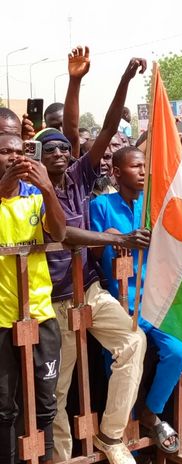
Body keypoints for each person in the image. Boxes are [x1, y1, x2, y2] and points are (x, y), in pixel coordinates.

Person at [44, 51, 148, 464]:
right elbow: (63, 233)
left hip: (87, 290)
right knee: (59, 388)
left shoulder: (78, 176)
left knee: (132, 342)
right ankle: (63, 458)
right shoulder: (34, 191)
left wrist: (119, 78)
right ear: (38, 159)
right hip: (51, 299)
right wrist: (115, 237)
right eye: (49, 151)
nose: (59, 155)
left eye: (63, 151)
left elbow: (103, 128)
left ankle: (111, 436)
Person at [90, 146, 182, 453]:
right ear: (117, 173)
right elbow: (92, 254)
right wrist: (110, 237)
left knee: (177, 351)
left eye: (145, 166)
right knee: (121, 373)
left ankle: (150, 412)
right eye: (136, 167)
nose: (143, 171)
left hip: (154, 301)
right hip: (119, 304)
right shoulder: (101, 205)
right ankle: (126, 444)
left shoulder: (152, 205)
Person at [0, 133, 66, 464]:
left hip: (40, 314)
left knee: (45, 404)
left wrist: (48, 189)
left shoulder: (35, 196)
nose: (13, 157)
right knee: (4, 408)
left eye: (18, 151)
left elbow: (60, 231)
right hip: (0, 320)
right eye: (4, 151)